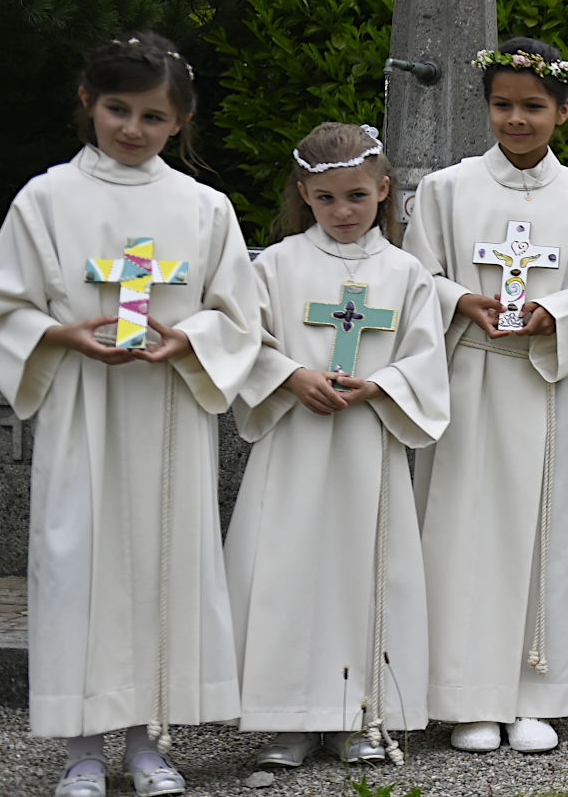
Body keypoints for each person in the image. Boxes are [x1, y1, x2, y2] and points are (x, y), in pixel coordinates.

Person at [0, 32, 261, 797]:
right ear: (87, 103)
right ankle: (81, 751)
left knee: (163, 568)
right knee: (80, 570)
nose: (133, 128)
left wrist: (187, 339)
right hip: (85, 410)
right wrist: (61, 335)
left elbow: (239, 315)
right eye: (118, 109)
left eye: (153, 116)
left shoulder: (204, 207)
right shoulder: (47, 199)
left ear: (181, 120)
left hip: (166, 412)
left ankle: (147, 743)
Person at [404, 36, 568, 754]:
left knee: (546, 534)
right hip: (470, 376)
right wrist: (461, 299)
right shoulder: (447, 189)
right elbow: (414, 278)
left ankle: (534, 692)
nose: (516, 120)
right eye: (502, 105)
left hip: (543, 379)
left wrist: (562, 310)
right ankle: (467, 696)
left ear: (563, 111)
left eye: (533, 107)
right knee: (464, 532)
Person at [228, 122, 447, 769]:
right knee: (288, 571)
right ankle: (286, 719)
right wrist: (291, 375)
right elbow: (244, 340)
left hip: (366, 443)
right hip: (295, 440)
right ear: (304, 195)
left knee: (363, 572)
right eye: (326, 198)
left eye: (356, 195)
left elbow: (427, 358)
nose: (343, 211)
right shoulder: (277, 264)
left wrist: (380, 386)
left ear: (383, 190)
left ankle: (361, 714)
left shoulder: (405, 272)